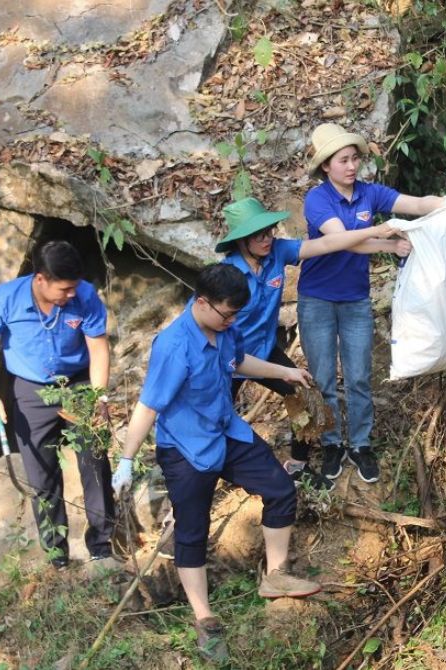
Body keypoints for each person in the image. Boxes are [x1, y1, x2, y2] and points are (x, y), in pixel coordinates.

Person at [111, 264, 322, 663]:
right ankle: (205, 618)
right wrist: (125, 459)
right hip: (187, 448)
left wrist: (285, 372)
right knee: (192, 531)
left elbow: (238, 361)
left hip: (227, 432)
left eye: (236, 315)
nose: (231, 321)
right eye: (227, 314)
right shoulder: (174, 346)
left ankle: (275, 576)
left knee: (280, 489)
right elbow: (148, 406)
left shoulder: (224, 328)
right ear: (202, 302)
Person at [298, 123, 446, 484]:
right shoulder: (317, 200)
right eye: (343, 161)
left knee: (359, 376)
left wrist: (445, 203)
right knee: (322, 378)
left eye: (355, 159)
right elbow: (343, 240)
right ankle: (331, 443)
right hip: (317, 299)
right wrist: (387, 242)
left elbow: (412, 204)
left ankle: (361, 444)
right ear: (326, 166)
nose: (351, 167)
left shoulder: (370, 194)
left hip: (355, 299)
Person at [216, 196, 401, 490]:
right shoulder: (227, 274)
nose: (268, 239)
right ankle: (212, 474)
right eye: (260, 235)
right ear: (241, 241)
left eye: (271, 231)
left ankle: (297, 465)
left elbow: (327, 244)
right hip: (226, 361)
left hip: (263, 353)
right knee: (216, 418)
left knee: (306, 396)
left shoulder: (277, 252)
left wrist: (376, 233)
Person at [0, 240, 116, 569]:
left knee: (94, 458)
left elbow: (98, 348)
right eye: (64, 289)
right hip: (28, 388)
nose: (71, 294)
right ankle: (57, 556)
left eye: (74, 288)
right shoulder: (4, 300)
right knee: (41, 473)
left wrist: (99, 397)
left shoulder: (85, 297)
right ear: (41, 279)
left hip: (77, 382)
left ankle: (102, 545)